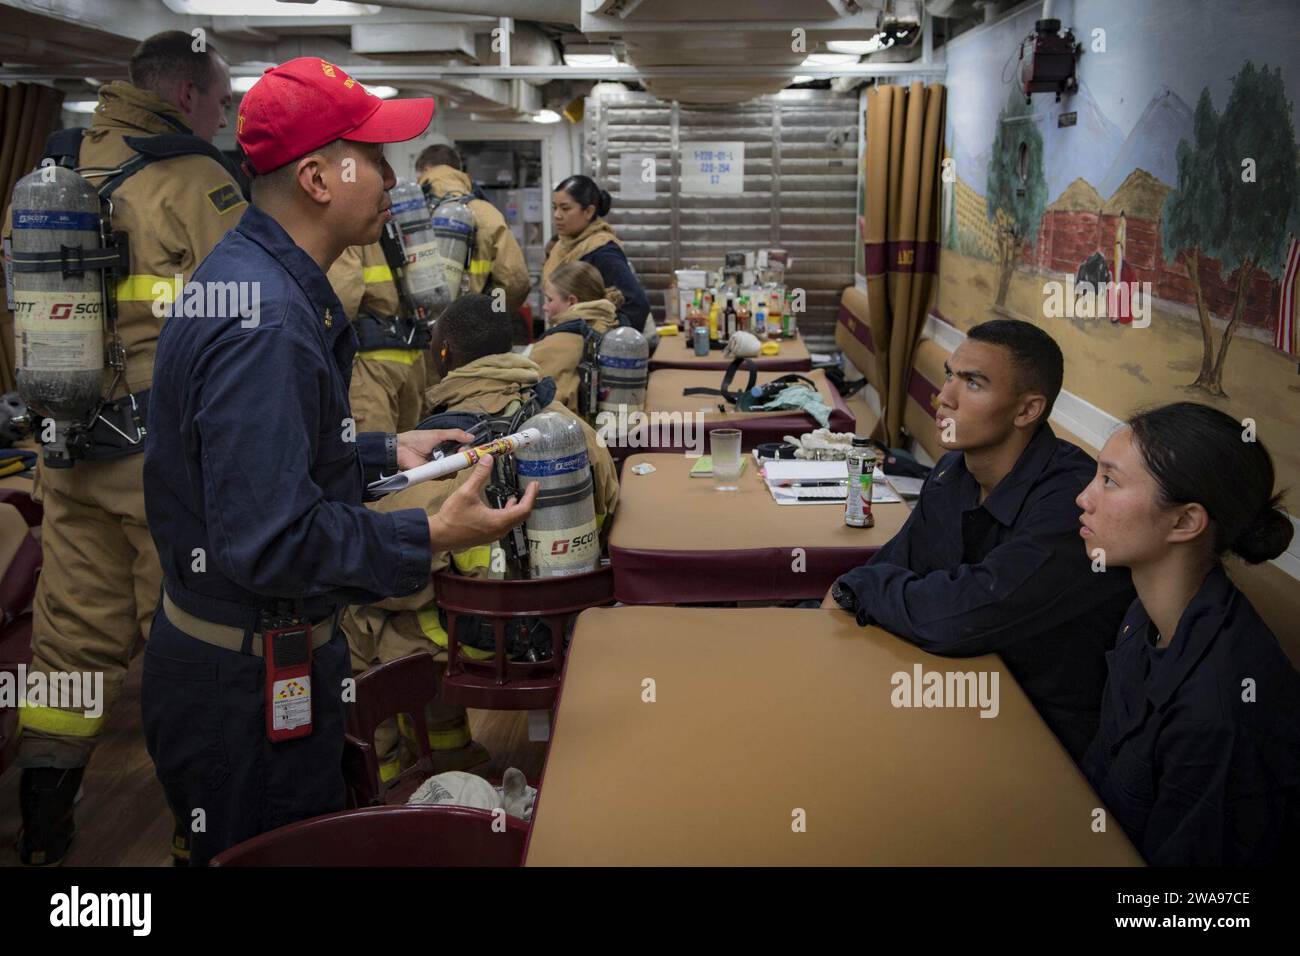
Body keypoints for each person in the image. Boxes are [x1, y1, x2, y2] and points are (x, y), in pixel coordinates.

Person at [140, 57, 536, 866]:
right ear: (319, 177)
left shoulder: (264, 286)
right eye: (375, 156)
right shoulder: (269, 324)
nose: (394, 176)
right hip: (242, 688)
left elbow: (260, 468)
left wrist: (386, 451)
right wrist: (429, 536)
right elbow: (269, 540)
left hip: (252, 665)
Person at [3, 30, 246, 866]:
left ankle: (41, 827)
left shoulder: (49, 178)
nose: (221, 117)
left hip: (66, 455)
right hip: (162, 466)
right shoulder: (196, 179)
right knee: (190, 643)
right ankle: (198, 835)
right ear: (185, 96)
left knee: (68, 643)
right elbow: (245, 323)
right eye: (218, 101)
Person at [823, 320, 1135, 762]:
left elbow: (965, 615)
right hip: (951, 694)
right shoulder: (953, 472)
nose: (944, 397)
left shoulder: (1071, 504)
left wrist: (858, 588)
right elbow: (895, 565)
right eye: (949, 374)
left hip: (1040, 740)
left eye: (973, 383)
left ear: (1026, 410)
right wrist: (857, 588)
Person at [343, 294, 618, 782]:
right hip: (572, 632)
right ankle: (454, 752)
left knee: (358, 616)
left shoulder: (432, 453)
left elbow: (395, 562)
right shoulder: (573, 430)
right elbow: (611, 511)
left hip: (475, 644)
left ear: (444, 355)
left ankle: (381, 774)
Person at [1077, 402, 1300, 865]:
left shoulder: (1217, 712)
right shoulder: (1145, 615)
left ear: (1184, 522)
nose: (1084, 497)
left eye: (1110, 481)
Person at [415, 144, 530, 314]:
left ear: (426, 170)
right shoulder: (488, 213)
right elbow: (515, 282)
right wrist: (490, 310)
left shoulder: (409, 210)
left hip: (418, 325)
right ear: (459, 171)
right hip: (468, 322)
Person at [326, 242, 428, 433]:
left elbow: (341, 301)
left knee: (375, 455)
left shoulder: (351, 234)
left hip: (370, 371)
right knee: (412, 456)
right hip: (414, 364)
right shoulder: (403, 226)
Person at [545, 174, 649, 333]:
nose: (557, 215)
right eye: (555, 207)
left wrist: (602, 343)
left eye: (565, 208)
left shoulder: (602, 251)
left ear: (588, 211)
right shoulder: (561, 247)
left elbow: (636, 305)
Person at [526, 261, 622, 414]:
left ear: (571, 301)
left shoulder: (558, 343)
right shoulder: (610, 324)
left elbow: (534, 402)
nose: (545, 307)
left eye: (550, 300)